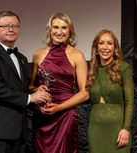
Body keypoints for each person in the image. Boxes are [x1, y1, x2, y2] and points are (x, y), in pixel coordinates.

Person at [0, 11, 51, 153]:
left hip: (19, 133)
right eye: (6, 26)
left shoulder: (22, 58)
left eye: (15, 26)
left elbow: (19, 89)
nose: (11, 29)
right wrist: (30, 98)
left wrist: (36, 92)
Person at [29, 12, 89, 153]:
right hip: (42, 117)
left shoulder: (77, 55)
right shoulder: (38, 54)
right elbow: (30, 86)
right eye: (55, 27)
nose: (59, 32)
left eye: (64, 28)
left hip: (65, 116)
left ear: (70, 31)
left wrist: (59, 107)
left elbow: (85, 93)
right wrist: (37, 89)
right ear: (50, 30)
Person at [86, 29, 134, 153]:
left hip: (118, 130)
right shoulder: (91, 71)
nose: (105, 47)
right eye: (101, 43)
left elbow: (129, 102)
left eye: (109, 43)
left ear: (115, 48)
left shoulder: (124, 68)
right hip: (95, 129)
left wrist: (126, 128)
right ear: (96, 48)